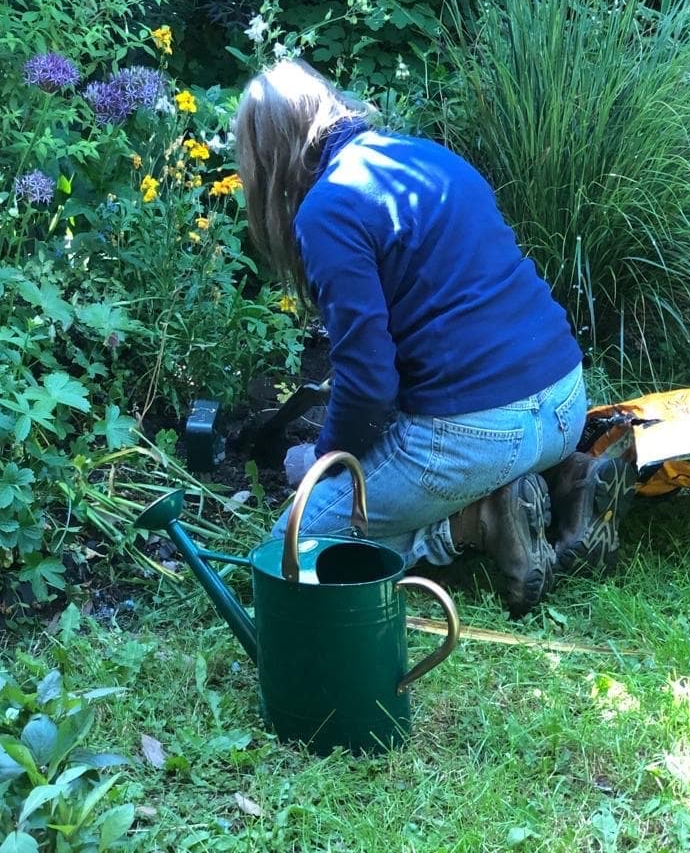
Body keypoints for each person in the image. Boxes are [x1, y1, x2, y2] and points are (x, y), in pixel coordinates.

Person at [233, 59, 635, 617]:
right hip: (565, 401)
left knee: (288, 552)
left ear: (267, 158)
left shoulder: (328, 209)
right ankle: (562, 477)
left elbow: (369, 381)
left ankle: (478, 521)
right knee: (345, 473)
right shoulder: (428, 157)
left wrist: (329, 462)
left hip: (479, 434)